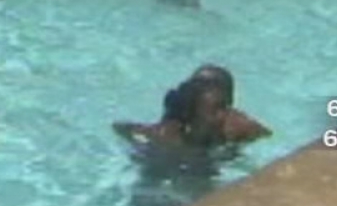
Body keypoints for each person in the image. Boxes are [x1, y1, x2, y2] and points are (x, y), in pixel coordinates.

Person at [113, 65, 271, 151]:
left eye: (226, 107)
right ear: (192, 114)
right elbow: (122, 128)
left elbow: (266, 136)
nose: (225, 115)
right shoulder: (161, 138)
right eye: (217, 109)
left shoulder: (233, 128)